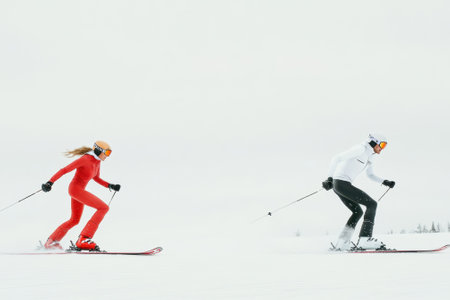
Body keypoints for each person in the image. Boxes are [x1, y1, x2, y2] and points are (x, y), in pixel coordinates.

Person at [41, 141, 121, 251]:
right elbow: (65, 170)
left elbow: (96, 178)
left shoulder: (97, 161)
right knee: (103, 208)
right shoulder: (85, 159)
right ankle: (84, 239)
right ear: (98, 150)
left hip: (79, 190)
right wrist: (50, 182)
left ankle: (51, 242)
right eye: (106, 152)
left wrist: (110, 185)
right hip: (75, 190)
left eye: (109, 153)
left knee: (74, 220)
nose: (107, 155)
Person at [322, 134, 395, 250]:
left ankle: (342, 242)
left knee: (357, 212)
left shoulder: (370, 157)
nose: (382, 148)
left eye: (384, 146)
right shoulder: (361, 149)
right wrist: (329, 178)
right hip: (340, 182)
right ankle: (365, 239)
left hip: (341, 184)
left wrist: (385, 182)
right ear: (373, 142)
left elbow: (370, 175)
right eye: (382, 144)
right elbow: (337, 158)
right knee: (372, 204)